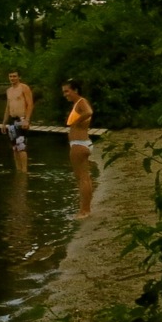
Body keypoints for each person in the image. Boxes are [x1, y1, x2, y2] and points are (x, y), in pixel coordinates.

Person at [62, 78, 94, 218]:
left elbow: (89, 112)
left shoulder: (81, 102)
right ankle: (86, 209)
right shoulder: (77, 103)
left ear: (75, 90)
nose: (65, 94)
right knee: (85, 177)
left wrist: (76, 121)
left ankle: (84, 211)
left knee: (81, 178)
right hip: (83, 143)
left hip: (78, 144)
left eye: (67, 91)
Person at [0, 70, 35, 172]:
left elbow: (30, 104)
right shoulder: (9, 90)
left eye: (14, 76)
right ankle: (18, 170)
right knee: (14, 147)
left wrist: (27, 120)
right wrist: (4, 123)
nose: (12, 78)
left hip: (21, 119)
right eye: (10, 76)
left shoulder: (24, 88)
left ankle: (24, 170)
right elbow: (8, 107)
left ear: (19, 77)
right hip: (12, 120)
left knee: (21, 146)